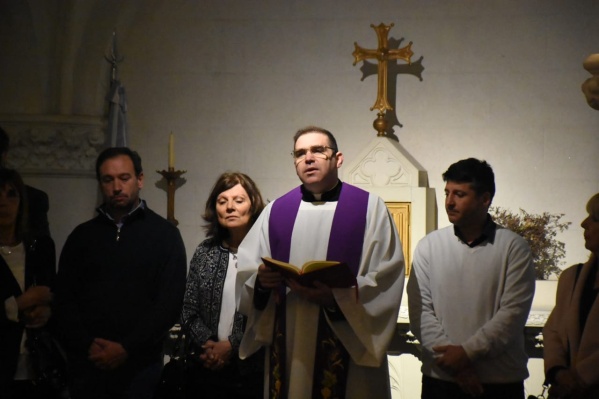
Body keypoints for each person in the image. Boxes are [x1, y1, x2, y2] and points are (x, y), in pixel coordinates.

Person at [235, 126, 405, 399]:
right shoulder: (276, 211)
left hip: (346, 344)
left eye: (318, 151)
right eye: (300, 153)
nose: (308, 158)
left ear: (338, 159)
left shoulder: (370, 209)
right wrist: (262, 282)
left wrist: (337, 298)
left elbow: (386, 278)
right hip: (288, 339)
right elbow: (246, 272)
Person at [52, 147, 187, 399]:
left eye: (124, 178)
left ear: (140, 179)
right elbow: (64, 298)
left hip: (141, 367)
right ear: (100, 183)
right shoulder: (82, 236)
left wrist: (127, 348)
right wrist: (86, 345)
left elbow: (169, 302)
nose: (116, 187)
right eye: (108, 179)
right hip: (88, 364)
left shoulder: (165, 235)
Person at [407, 158, 535, 399]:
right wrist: (455, 363)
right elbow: (420, 311)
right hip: (442, 379)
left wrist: (465, 354)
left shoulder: (513, 247)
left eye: (459, 194)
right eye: (447, 193)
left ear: (484, 199)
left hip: (498, 380)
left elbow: (512, 314)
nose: (449, 202)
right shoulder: (429, 246)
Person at [181, 172, 265, 398]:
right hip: (206, 366)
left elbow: (268, 312)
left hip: (252, 371)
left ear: (253, 205)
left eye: (238, 200)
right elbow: (188, 309)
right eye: (222, 201)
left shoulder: (266, 254)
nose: (230, 207)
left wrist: (231, 345)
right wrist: (209, 345)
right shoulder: (204, 251)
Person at [0, 168, 56, 398]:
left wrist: (47, 310)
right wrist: (20, 303)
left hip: (37, 366)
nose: (3, 202)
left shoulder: (39, 248)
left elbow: (56, 292)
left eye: (11, 194)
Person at [543, 193, 599, 398]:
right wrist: (558, 372)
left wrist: (581, 377)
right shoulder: (571, 278)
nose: (584, 224)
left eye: (594, 218)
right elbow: (553, 330)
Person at [0, 125, 50, 238]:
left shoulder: (33, 199)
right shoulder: (34, 198)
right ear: (5, 156)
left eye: (10, 195)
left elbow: (43, 249)